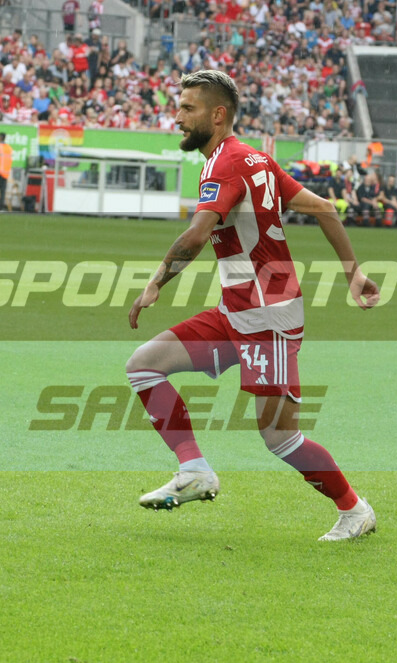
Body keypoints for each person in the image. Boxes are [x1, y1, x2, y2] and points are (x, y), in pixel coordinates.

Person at [126, 70, 380, 542]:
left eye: (188, 109)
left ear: (217, 115)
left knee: (280, 437)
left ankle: (354, 510)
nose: (177, 117)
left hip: (269, 317)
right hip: (237, 310)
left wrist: (156, 282)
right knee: (144, 365)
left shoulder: (225, 164)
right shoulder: (253, 159)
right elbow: (324, 208)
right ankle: (194, 471)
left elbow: (197, 235)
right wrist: (353, 273)